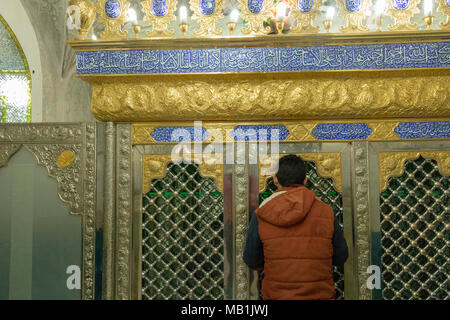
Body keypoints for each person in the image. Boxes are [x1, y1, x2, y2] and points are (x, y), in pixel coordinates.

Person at [243, 155, 348, 300]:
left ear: (275, 179)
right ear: (305, 180)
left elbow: (252, 260)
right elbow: (341, 256)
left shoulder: (262, 213)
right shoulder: (326, 212)